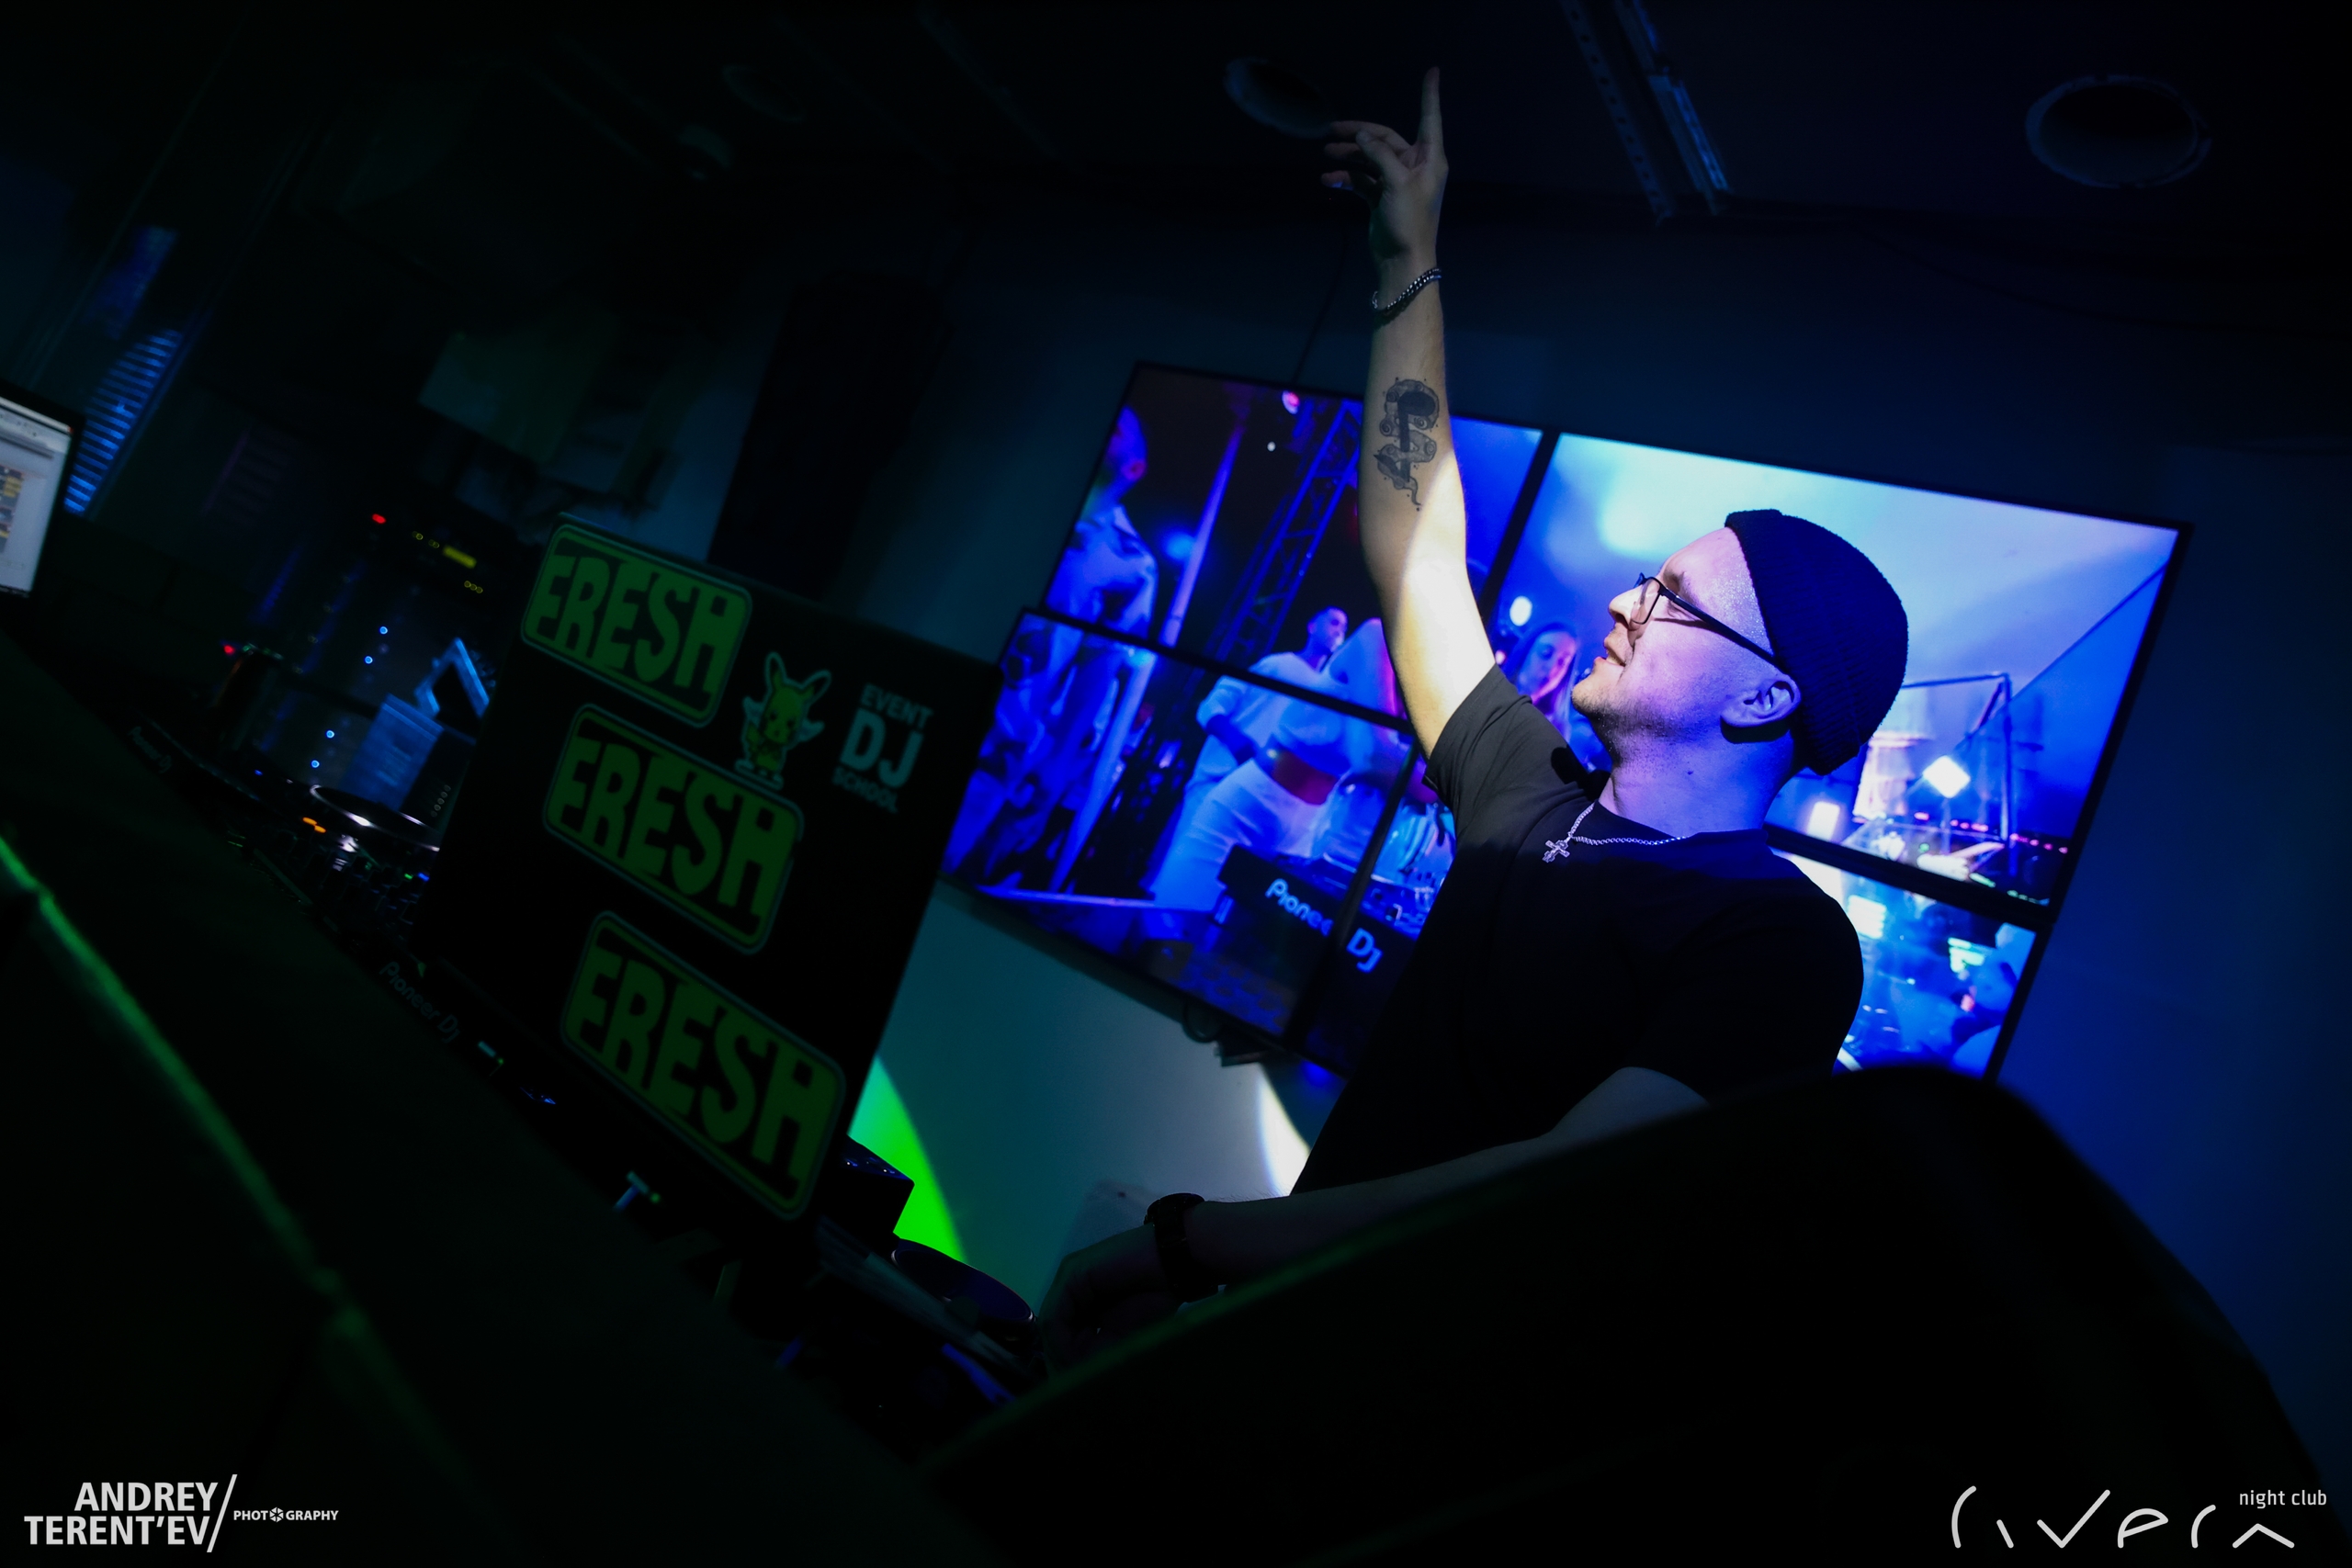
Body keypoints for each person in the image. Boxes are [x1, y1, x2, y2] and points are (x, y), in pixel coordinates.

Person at [1042, 68, 1909, 1366]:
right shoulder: (1528, 787)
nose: (1623, 602)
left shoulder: (1778, 940)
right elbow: (1415, 549)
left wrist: (1190, 1242)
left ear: (1767, 697)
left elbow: (1546, 1199)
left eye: (1673, 600)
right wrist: (1410, 265)